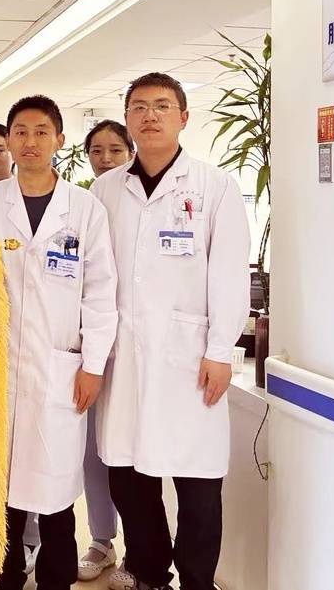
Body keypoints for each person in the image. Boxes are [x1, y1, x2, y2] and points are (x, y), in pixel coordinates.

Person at [91, 73, 250, 590]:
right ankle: (150, 573)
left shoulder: (214, 187)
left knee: (198, 486)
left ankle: (198, 581)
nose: (150, 115)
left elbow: (229, 274)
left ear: (183, 117)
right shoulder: (105, 190)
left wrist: (221, 349)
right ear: (127, 119)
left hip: (191, 357)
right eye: (139, 107)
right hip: (123, 357)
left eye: (162, 106)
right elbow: (96, 275)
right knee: (128, 479)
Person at [0, 96, 117, 590]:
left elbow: (101, 292)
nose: (30, 142)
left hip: (60, 368)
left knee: (55, 491)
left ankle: (55, 579)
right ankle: (4, 577)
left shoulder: (85, 209)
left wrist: (93, 365)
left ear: (59, 139)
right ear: (9, 140)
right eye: (21, 132)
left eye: (41, 132)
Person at [77, 119, 136, 587]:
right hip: (96, 345)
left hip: (138, 347)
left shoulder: (145, 195)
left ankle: (141, 548)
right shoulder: (88, 200)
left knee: (134, 457)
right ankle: (101, 539)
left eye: (114, 149)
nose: (105, 158)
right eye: (96, 150)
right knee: (95, 452)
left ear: (129, 152)